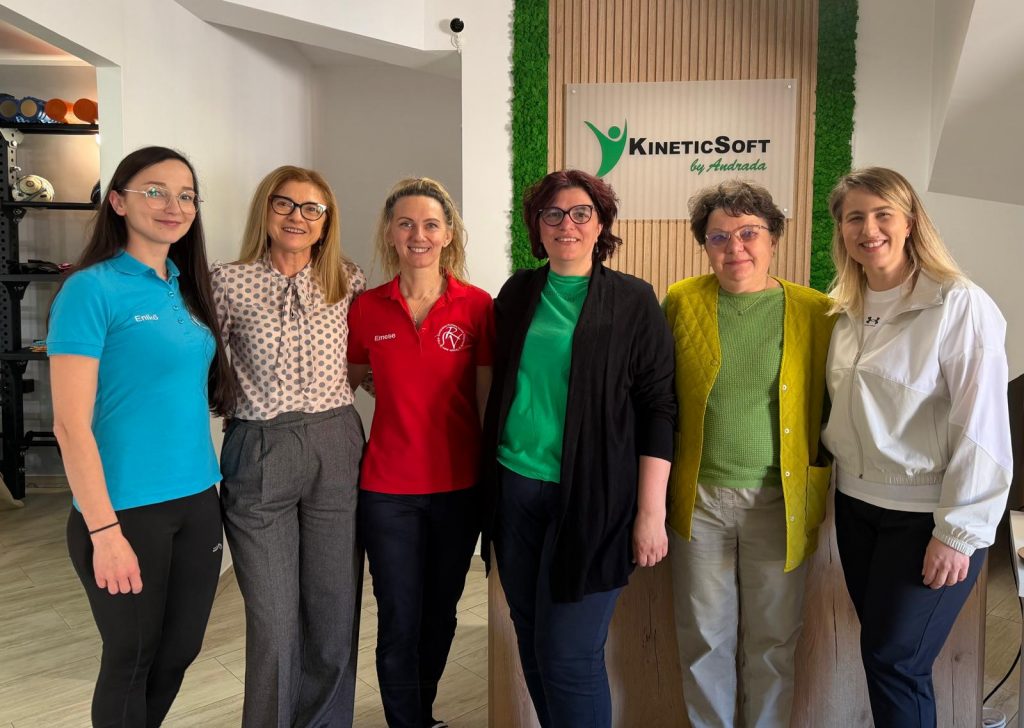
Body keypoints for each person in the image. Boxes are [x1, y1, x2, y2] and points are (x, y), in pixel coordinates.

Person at [481, 169, 676, 728]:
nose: (566, 224)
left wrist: (650, 513)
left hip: (594, 501)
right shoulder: (518, 293)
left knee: (569, 656)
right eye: (553, 213)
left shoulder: (633, 300)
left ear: (601, 224)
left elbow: (658, 408)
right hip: (515, 490)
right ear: (537, 227)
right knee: (532, 638)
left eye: (581, 213)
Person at [48, 146, 234, 726]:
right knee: (131, 658)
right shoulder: (91, 290)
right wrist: (104, 531)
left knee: (180, 651)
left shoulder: (184, 285)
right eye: (155, 191)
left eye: (186, 195)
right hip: (125, 508)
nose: (173, 205)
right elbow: (69, 425)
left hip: (198, 498)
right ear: (118, 201)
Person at [823, 167, 1012, 727]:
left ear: (910, 223)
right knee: (886, 657)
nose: (869, 229)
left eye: (883, 214)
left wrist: (958, 532)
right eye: (855, 217)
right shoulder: (844, 308)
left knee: (895, 661)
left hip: (926, 515)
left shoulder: (958, 304)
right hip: (857, 509)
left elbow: (983, 428)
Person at [662, 180, 835, 728]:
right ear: (705, 245)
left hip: (779, 502)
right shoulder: (681, 300)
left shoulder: (816, 311)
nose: (734, 247)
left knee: (773, 643)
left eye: (749, 233)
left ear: (773, 238)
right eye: (718, 237)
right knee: (703, 642)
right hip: (699, 502)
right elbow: (657, 396)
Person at [211, 166, 365, 728]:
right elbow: (201, 365)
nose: (297, 217)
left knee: (333, 610)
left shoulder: (348, 279)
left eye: (311, 208)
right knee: (274, 622)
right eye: (285, 204)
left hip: (336, 443)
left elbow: (370, 363)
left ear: (326, 222)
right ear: (265, 209)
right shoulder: (226, 281)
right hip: (260, 448)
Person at [347, 177, 494, 728]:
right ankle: (406, 722)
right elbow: (345, 383)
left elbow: (485, 402)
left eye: (431, 224)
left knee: (440, 614)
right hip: (387, 491)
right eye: (406, 223)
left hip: (458, 488)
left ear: (449, 234)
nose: (418, 235)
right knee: (399, 618)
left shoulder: (477, 306)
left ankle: (421, 712)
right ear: (389, 232)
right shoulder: (366, 308)